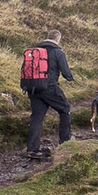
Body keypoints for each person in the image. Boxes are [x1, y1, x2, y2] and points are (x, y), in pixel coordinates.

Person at [25, 30, 75, 159]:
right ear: (58, 39)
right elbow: (66, 72)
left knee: (37, 117)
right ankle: (65, 142)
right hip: (49, 88)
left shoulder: (34, 52)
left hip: (33, 89)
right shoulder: (58, 52)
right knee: (65, 109)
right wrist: (71, 78)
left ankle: (32, 149)